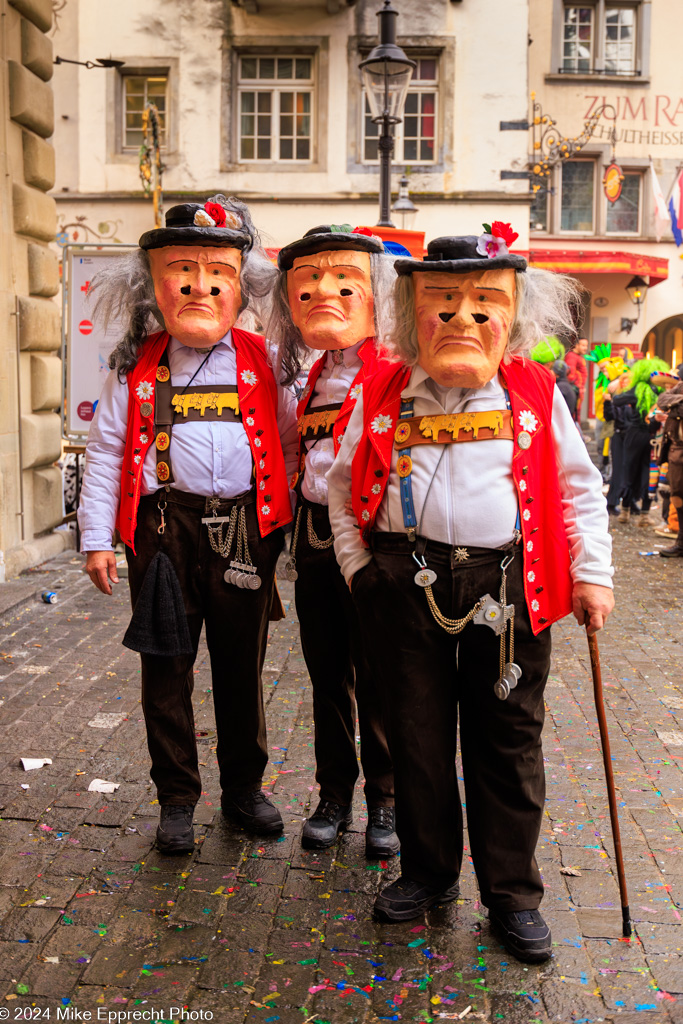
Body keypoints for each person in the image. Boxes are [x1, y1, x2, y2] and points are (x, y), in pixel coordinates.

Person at [327, 225, 614, 963]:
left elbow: (579, 488)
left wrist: (591, 574)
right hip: (404, 583)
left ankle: (512, 896)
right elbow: (337, 486)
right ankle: (427, 874)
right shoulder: (383, 388)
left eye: (483, 304)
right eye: (442, 302)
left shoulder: (533, 389)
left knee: (507, 742)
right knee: (416, 737)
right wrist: (362, 570)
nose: (462, 319)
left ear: (511, 314)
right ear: (409, 311)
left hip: (510, 588)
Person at [78, 196, 299, 853]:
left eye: (215, 276)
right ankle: (177, 799)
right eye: (183, 274)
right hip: (164, 536)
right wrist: (96, 539)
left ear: (240, 285)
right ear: (158, 285)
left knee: (241, 669)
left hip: (243, 538)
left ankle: (242, 792)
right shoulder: (137, 365)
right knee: (165, 671)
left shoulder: (265, 360)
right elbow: (107, 452)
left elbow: (288, 448)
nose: (199, 288)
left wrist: (277, 531)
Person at [265, 225, 398, 856]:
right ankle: (333, 794)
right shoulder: (313, 373)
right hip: (315, 535)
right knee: (325, 674)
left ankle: (386, 803)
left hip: (372, 541)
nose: (327, 295)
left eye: (346, 283)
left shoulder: (394, 370)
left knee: (379, 674)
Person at [610, 357, 669, 526]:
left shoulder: (637, 389)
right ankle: (643, 515)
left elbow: (617, 400)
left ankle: (625, 512)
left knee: (630, 471)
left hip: (634, 435)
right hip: (653, 436)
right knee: (649, 474)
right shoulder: (659, 392)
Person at [656, 375, 683, 557]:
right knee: (677, 495)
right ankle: (681, 542)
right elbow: (662, 400)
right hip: (677, 453)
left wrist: (675, 406)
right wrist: (679, 400)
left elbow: (675, 409)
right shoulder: (680, 387)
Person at [565, 337, 588, 422]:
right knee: (574, 415)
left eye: (586, 345)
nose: (585, 348)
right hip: (575, 391)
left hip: (578, 390)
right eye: (583, 345)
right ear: (577, 345)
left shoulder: (578, 356)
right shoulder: (572, 356)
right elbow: (571, 375)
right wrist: (578, 387)